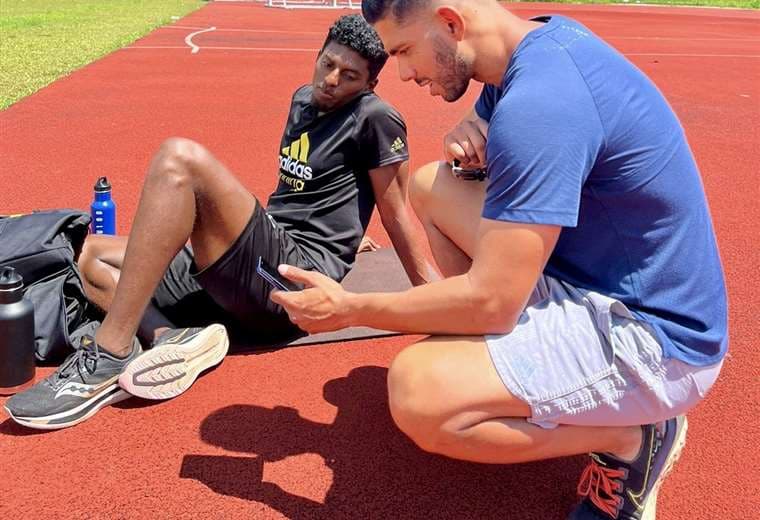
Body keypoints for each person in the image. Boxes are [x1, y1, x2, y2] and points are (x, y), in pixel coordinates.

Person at [270, 2, 728, 519]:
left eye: (403, 51)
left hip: (658, 345)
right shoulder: (534, 46)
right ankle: (519, 370)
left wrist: (350, 310)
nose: (402, 73)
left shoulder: (540, 105)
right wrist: (468, 126)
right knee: (432, 185)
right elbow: (492, 115)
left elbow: (491, 302)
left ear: (450, 22)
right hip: (603, 278)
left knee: (419, 394)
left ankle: (632, 437)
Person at [5, 14, 432, 429]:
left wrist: (433, 304)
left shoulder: (376, 118)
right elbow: (298, 191)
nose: (332, 79)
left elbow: (396, 214)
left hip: (294, 281)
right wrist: (345, 232)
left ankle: (112, 351)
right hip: (271, 246)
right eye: (328, 62)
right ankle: (172, 339)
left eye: (350, 75)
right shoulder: (302, 100)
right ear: (319, 54)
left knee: (181, 160)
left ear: (370, 85)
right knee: (92, 253)